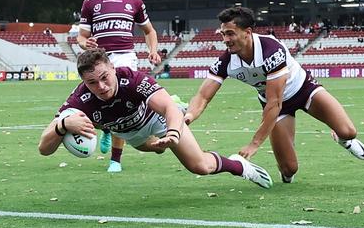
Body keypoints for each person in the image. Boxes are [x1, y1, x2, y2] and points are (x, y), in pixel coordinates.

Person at [39, 48, 273, 189]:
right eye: (92, 83)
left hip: (155, 118)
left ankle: (238, 165)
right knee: (157, 149)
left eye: (104, 77)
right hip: (130, 133)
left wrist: (172, 132)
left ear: (112, 68)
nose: (101, 86)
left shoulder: (130, 78)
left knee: (199, 166)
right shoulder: (79, 100)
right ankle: (123, 132)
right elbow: (44, 148)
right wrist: (62, 126)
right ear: (83, 82)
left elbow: (167, 108)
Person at [185, 6, 364, 183]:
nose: (225, 39)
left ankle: (342, 140)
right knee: (289, 170)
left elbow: (274, 102)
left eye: (230, 33)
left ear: (247, 32)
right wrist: (189, 117)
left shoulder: (270, 50)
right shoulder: (226, 60)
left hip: (303, 90)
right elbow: (203, 96)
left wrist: (255, 143)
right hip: (277, 107)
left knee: (349, 131)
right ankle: (287, 164)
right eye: (223, 34)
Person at [76, 0, 161, 173]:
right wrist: (86, 43)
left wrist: (152, 50)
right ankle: (105, 126)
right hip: (99, 60)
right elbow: (81, 36)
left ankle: (116, 160)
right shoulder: (90, 3)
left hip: (125, 58)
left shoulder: (134, 2)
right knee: (102, 104)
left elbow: (149, 30)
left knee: (122, 102)